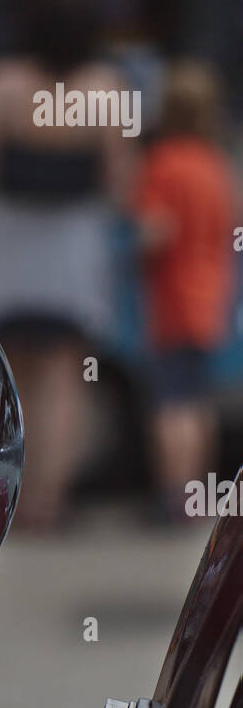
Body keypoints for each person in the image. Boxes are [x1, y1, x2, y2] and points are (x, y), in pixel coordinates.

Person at [0, 0, 131, 529]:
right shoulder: (106, 86)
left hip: (14, 241)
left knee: (12, 375)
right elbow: (122, 182)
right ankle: (48, 505)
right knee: (65, 378)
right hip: (74, 244)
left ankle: (8, 500)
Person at [133, 61, 236, 522]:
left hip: (174, 298)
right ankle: (198, 496)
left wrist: (130, 258)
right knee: (198, 400)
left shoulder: (164, 163)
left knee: (170, 402)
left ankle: (172, 497)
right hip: (212, 297)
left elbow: (157, 233)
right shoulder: (218, 165)